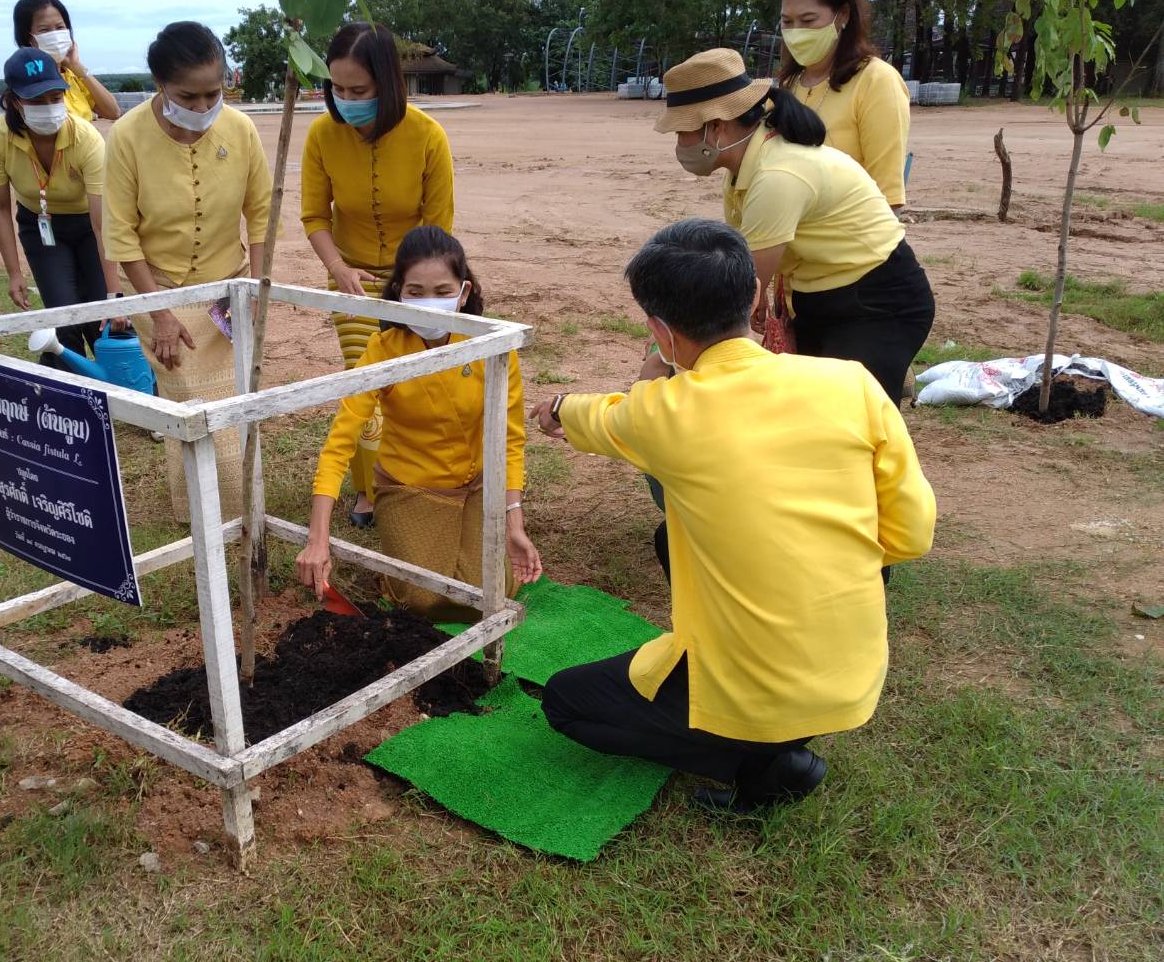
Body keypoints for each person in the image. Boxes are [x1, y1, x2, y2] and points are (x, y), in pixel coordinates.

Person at [529, 219, 935, 813]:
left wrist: (559, 406)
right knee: (674, 536)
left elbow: (598, 417)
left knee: (566, 703)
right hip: (852, 672)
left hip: (763, 691)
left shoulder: (663, 413)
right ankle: (769, 730)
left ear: (659, 332)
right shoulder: (851, 382)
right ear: (751, 296)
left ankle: (763, 763)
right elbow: (911, 532)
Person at [657, 47, 934, 406]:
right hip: (818, 297)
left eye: (682, 132)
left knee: (852, 423)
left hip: (876, 303)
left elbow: (733, 295)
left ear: (715, 127)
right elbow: (744, 265)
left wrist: (665, 351)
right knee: (808, 416)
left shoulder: (777, 174)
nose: (680, 145)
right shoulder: (746, 167)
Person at [296, 226, 541, 621]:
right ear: (398, 294)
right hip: (411, 487)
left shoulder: (493, 346)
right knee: (423, 599)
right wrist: (317, 538)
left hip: (480, 486)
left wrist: (514, 522)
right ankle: (404, 572)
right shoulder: (383, 352)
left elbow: (510, 441)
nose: (429, 304)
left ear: (463, 293)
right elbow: (340, 441)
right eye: (415, 291)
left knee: (495, 589)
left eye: (442, 292)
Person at [103, 22, 270, 523]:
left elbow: (261, 213)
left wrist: (255, 289)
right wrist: (160, 313)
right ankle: (198, 513)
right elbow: (121, 234)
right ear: (160, 85)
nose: (201, 108)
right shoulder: (127, 136)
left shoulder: (240, 131)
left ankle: (244, 509)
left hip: (228, 292)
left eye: (212, 95)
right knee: (187, 406)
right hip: (162, 294)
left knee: (235, 402)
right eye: (187, 96)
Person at [301, 21, 455, 528]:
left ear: (388, 84)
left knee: (415, 386)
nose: (346, 100)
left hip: (419, 283)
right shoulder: (323, 135)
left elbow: (438, 230)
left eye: (359, 90)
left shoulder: (428, 136)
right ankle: (370, 492)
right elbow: (315, 217)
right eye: (337, 88)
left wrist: (413, 292)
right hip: (351, 279)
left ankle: (419, 479)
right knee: (365, 384)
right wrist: (338, 268)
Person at [0, 47, 120, 366]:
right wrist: (14, 273)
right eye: (37, 101)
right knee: (63, 319)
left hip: (89, 225)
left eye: (55, 98)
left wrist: (114, 295)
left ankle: (121, 393)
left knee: (102, 319)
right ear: (14, 100)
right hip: (42, 228)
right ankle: (68, 405)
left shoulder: (87, 139)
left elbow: (102, 225)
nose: (49, 108)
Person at [777, 0, 911, 210]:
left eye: (808, 20)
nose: (796, 32)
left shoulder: (876, 81)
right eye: (787, 22)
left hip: (847, 240)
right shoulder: (788, 86)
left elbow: (886, 197)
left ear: (843, 15)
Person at [12, 0, 120, 122]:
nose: (55, 35)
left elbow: (113, 112)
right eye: (44, 30)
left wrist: (76, 66)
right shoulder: (28, 81)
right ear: (28, 37)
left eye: (60, 27)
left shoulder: (72, 76)